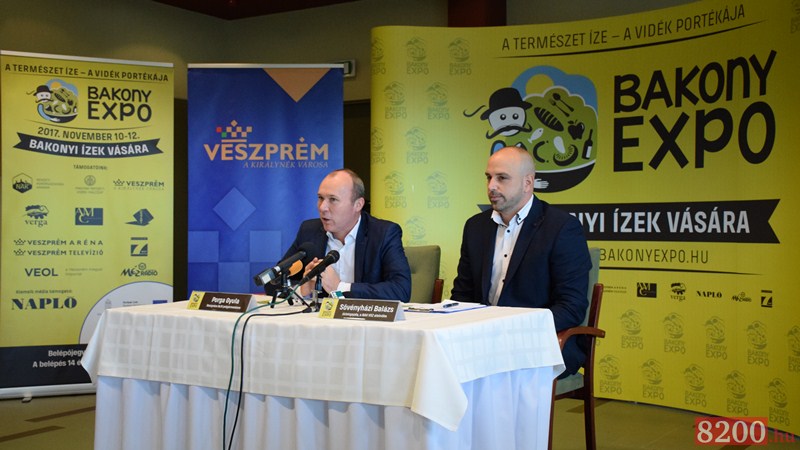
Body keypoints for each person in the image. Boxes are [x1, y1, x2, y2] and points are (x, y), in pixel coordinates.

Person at [451, 146, 592, 376]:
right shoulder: (475, 226)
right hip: (482, 341)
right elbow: (463, 294)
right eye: (488, 177)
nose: (491, 186)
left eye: (502, 178)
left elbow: (571, 307)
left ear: (528, 183)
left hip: (537, 342)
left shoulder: (561, 228)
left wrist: (511, 332)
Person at [279, 168, 411, 301]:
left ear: (358, 205)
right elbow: (275, 280)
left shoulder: (383, 234)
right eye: (320, 198)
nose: (322, 207)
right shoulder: (309, 231)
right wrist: (301, 289)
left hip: (362, 314)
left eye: (333, 199)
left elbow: (401, 290)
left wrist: (339, 287)